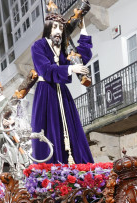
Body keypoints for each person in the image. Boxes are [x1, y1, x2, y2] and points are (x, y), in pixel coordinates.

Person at [30, 3, 94, 164]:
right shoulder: (38, 46)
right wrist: (71, 68)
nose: (58, 31)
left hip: (62, 93)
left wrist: (83, 28)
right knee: (50, 130)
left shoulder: (63, 48)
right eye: (55, 27)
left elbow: (82, 57)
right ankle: (52, 169)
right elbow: (45, 70)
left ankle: (78, 165)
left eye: (60, 28)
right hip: (46, 92)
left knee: (72, 131)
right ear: (48, 28)